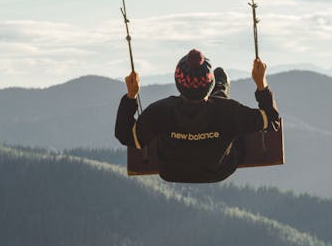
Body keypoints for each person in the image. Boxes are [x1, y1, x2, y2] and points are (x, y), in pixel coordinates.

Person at [114, 49, 280, 183]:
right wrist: (261, 84)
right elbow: (272, 121)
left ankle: (214, 89)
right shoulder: (230, 111)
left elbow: (126, 135)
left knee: (220, 108)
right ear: (209, 84)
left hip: (172, 172)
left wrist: (131, 96)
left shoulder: (160, 111)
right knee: (223, 102)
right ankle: (219, 86)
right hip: (219, 171)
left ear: (178, 83)